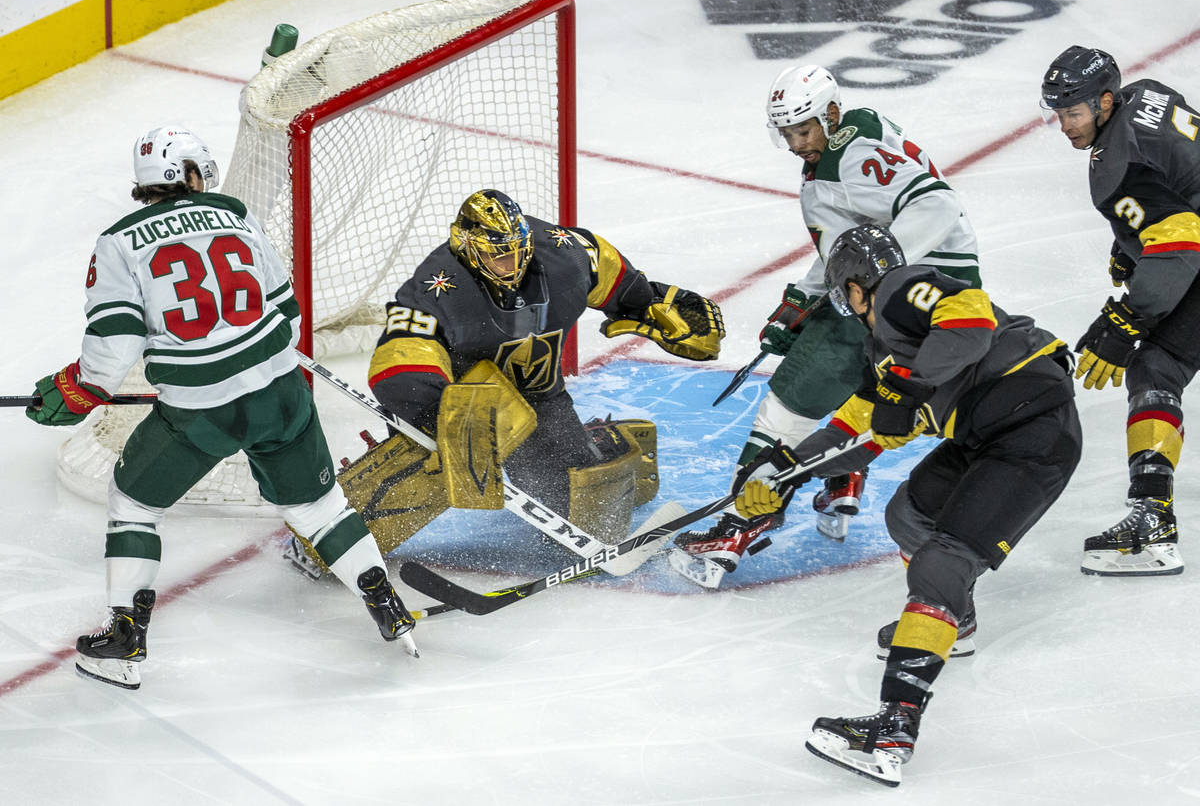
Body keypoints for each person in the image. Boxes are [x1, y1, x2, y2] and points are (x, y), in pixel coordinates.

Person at [26, 125, 415, 690]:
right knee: (320, 509)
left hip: (199, 415)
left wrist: (76, 389)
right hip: (282, 394)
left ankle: (125, 640)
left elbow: (111, 349)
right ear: (189, 173)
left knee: (132, 502)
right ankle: (388, 606)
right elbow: (288, 313)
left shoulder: (119, 241)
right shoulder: (234, 213)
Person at [728, 225, 1080, 786]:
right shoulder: (889, 352)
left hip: (1032, 428)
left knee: (944, 560)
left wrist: (906, 387)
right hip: (983, 436)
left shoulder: (899, 289)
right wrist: (782, 471)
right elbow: (857, 432)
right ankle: (951, 621)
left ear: (854, 286)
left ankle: (894, 727)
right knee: (909, 515)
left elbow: (970, 316)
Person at [674, 64, 982, 583]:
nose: (797, 143)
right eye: (788, 133)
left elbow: (937, 203)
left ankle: (739, 523)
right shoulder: (852, 140)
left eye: (805, 128)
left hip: (904, 296)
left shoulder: (853, 156)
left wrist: (881, 275)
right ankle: (845, 480)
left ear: (831, 113)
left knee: (789, 399)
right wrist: (805, 297)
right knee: (867, 386)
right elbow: (855, 244)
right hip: (932, 293)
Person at [347, 188, 723, 555]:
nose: (511, 265)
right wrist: (442, 416)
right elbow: (399, 361)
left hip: (540, 397)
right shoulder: (435, 286)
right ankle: (336, 534)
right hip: (459, 404)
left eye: (516, 252)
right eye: (498, 256)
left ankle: (598, 441)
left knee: (583, 522)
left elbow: (620, 282)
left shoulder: (568, 255)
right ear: (466, 246)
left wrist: (652, 304)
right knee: (418, 480)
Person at [1041, 45, 1199, 577]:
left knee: (1155, 367)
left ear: (1105, 101)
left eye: (1074, 111)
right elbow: (1178, 179)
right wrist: (1134, 241)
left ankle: (1153, 526)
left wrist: (1126, 320)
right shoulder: (1149, 95)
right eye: (1059, 113)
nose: (1065, 125)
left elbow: (1181, 244)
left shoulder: (1118, 163)